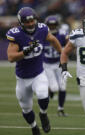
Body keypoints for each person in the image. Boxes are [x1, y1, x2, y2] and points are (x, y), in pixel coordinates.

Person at [6, 7, 62, 135]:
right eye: (27, 22)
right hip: (22, 78)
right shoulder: (16, 34)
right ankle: (34, 126)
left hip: (38, 73)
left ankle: (43, 114)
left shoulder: (42, 29)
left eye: (32, 21)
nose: (31, 24)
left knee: (43, 94)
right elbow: (10, 57)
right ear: (21, 22)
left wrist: (62, 53)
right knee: (26, 109)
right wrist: (25, 51)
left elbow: (53, 39)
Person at [43, 15, 68, 116]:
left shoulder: (62, 34)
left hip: (59, 64)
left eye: (54, 25)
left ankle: (60, 109)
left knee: (62, 86)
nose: (52, 27)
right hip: (47, 65)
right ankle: (49, 90)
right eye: (50, 25)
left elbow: (69, 43)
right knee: (54, 88)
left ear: (57, 25)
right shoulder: (43, 35)